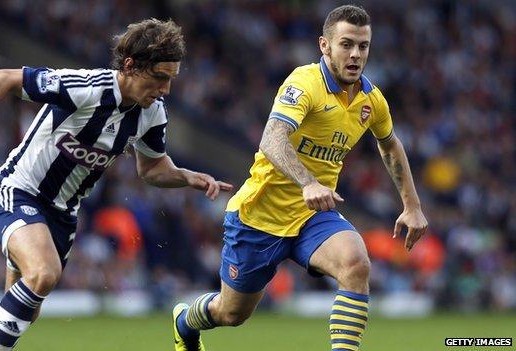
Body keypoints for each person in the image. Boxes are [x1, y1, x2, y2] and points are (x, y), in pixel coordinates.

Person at [0, 18, 233, 351]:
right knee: (43, 273)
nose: (165, 89)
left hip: (62, 216)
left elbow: (151, 168)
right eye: (159, 78)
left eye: (171, 80)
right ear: (130, 66)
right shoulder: (86, 87)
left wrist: (185, 176)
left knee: (26, 308)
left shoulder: (152, 114)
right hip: (17, 189)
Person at [172, 5, 428, 351]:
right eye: (346, 44)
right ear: (325, 45)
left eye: (363, 46)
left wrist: (411, 205)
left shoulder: (372, 99)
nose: (355, 54)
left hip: (313, 217)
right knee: (231, 313)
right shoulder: (303, 83)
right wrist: (308, 182)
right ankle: (185, 322)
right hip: (260, 216)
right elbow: (272, 137)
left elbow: (390, 145)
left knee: (356, 263)